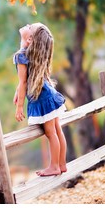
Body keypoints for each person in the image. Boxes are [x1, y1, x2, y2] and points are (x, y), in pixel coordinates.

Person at [13, 22, 67, 176]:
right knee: (57, 130)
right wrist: (18, 92)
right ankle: (62, 164)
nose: (27, 24)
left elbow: (23, 82)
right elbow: (25, 81)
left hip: (43, 97)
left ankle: (54, 166)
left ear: (30, 39)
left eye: (30, 27)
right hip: (48, 93)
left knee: (51, 133)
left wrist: (19, 107)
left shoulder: (21, 56)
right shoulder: (31, 54)